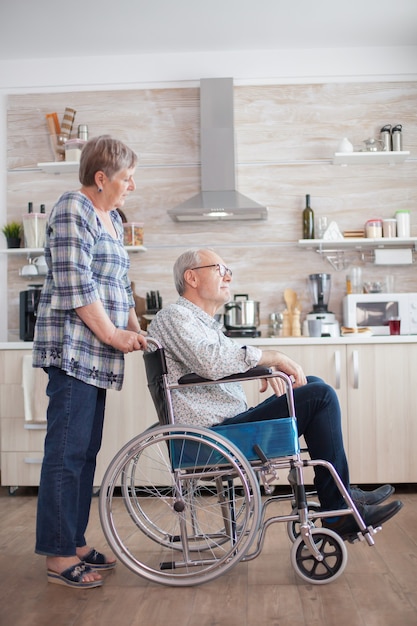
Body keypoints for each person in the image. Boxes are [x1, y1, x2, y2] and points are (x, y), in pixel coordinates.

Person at [148, 248, 403, 539]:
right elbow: (210, 361)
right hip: (212, 437)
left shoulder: (202, 324)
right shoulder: (175, 316)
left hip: (225, 428)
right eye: (219, 268)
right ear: (191, 277)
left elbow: (217, 361)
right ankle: (339, 507)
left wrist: (262, 368)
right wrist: (271, 358)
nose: (228, 275)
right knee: (320, 395)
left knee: (311, 385)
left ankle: (342, 497)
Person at [33, 135, 147, 589]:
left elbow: (119, 283)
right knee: (66, 453)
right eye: (126, 178)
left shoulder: (112, 217)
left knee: (84, 452)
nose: (131, 187)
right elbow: (75, 283)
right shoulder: (72, 209)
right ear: (101, 178)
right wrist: (115, 333)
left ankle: (74, 540)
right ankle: (58, 556)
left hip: (96, 354)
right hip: (73, 349)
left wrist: (137, 327)